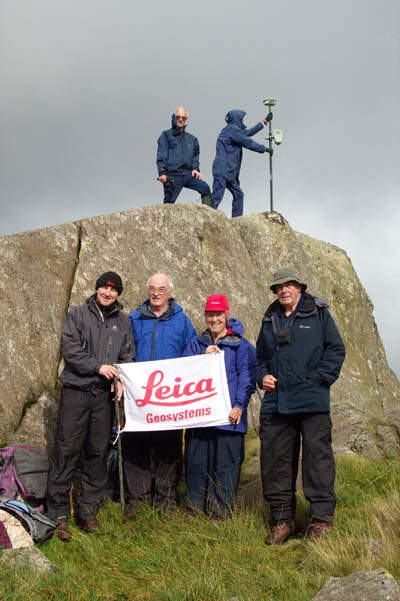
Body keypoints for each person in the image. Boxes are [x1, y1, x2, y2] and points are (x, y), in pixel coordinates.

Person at [256, 267, 345, 544]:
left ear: (300, 288)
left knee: (317, 460)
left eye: (289, 285)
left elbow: (336, 349)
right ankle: (284, 520)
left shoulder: (318, 313)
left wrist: (319, 378)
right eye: (279, 287)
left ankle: (320, 520)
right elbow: (260, 358)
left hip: (311, 400)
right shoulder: (270, 318)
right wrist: (262, 377)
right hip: (276, 403)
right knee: (275, 462)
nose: (283, 290)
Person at [47, 272, 135, 541]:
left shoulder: (123, 321)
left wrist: (120, 376)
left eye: (113, 290)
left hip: (103, 398)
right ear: (96, 289)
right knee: (67, 450)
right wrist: (98, 367)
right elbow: (70, 350)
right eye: (104, 288)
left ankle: (88, 511)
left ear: (118, 294)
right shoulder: (78, 314)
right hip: (76, 392)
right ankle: (57, 515)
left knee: (97, 454)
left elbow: (127, 355)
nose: (108, 293)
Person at [122, 272, 196, 513]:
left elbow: (192, 353)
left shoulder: (182, 321)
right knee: (136, 448)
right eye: (152, 288)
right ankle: (138, 502)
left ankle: (167, 501)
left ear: (169, 292)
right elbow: (124, 354)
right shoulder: (132, 319)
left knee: (169, 448)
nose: (156, 293)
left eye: (161, 289)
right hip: (138, 398)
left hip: (169, 400)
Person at [183, 294, 256, 520]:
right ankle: (194, 511)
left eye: (218, 315)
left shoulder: (241, 345)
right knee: (197, 465)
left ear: (227, 315)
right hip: (201, 417)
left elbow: (247, 376)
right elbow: (183, 370)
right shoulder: (196, 343)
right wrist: (201, 356)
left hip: (228, 419)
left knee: (225, 468)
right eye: (210, 315)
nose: (214, 319)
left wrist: (239, 405)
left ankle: (220, 514)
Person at [212, 109, 273, 218]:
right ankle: (208, 217)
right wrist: (264, 149)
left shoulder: (233, 130)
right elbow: (247, 142)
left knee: (239, 195)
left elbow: (247, 133)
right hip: (223, 168)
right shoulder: (231, 130)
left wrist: (264, 122)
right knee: (217, 196)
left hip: (229, 170)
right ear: (237, 119)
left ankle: (237, 220)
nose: (244, 120)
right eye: (242, 118)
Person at [157, 106, 213, 206]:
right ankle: (165, 221)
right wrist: (162, 172)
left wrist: (195, 169)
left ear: (186, 119)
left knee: (205, 188)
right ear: (174, 117)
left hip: (188, 174)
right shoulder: (166, 135)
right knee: (168, 205)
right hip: (172, 175)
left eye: (183, 117)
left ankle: (211, 215)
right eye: (178, 117)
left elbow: (196, 154)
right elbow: (162, 154)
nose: (180, 119)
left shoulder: (192, 139)